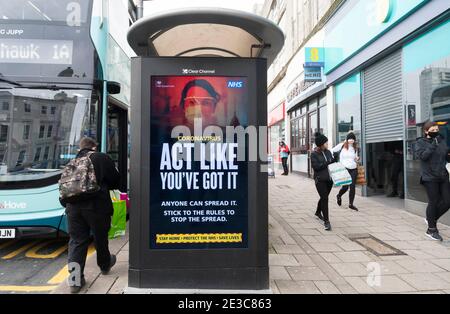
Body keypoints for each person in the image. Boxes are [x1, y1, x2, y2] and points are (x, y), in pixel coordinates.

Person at [60, 137, 121, 293]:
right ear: (94, 146)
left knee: (76, 241)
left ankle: (75, 280)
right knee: (100, 237)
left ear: (80, 148)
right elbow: (116, 181)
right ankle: (105, 264)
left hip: (73, 208)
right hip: (97, 206)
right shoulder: (101, 157)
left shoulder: (72, 162)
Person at [415, 121, 450, 241]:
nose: (436, 132)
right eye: (433, 130)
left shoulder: (442, 141)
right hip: (429, 177)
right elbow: (423, 156)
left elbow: (445, 156)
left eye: (437, 130)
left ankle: (431, 218)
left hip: (443, 175)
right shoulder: (420, 142)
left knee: (447, 201)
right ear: (426, 131)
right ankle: (431, 230)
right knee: (433, 201)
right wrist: (433, 145)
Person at [311, 132, 335, 231]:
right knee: (325, 198)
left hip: (329, 180)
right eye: (326, 143)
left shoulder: (328, 152)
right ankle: (326, 222)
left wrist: (335, 159)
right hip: (320, 180)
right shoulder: (314, 154)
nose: (327, 144)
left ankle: (317, 211)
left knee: (324, 197)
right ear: (321, 144)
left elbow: (332, 162)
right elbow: (316, 167)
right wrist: (328, 162)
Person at [332, 132, 360, 211]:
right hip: (345, 169)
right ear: (347, 139)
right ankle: (339, 195)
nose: (351, 140)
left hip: (354, 168)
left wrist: (357, 158)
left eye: (353, 139)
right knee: (345, 187)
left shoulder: (355, 148)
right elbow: (332, 151)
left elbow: (355, 157)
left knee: (352, 186)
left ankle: (351, 204)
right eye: (350, 139)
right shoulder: (342, 146)